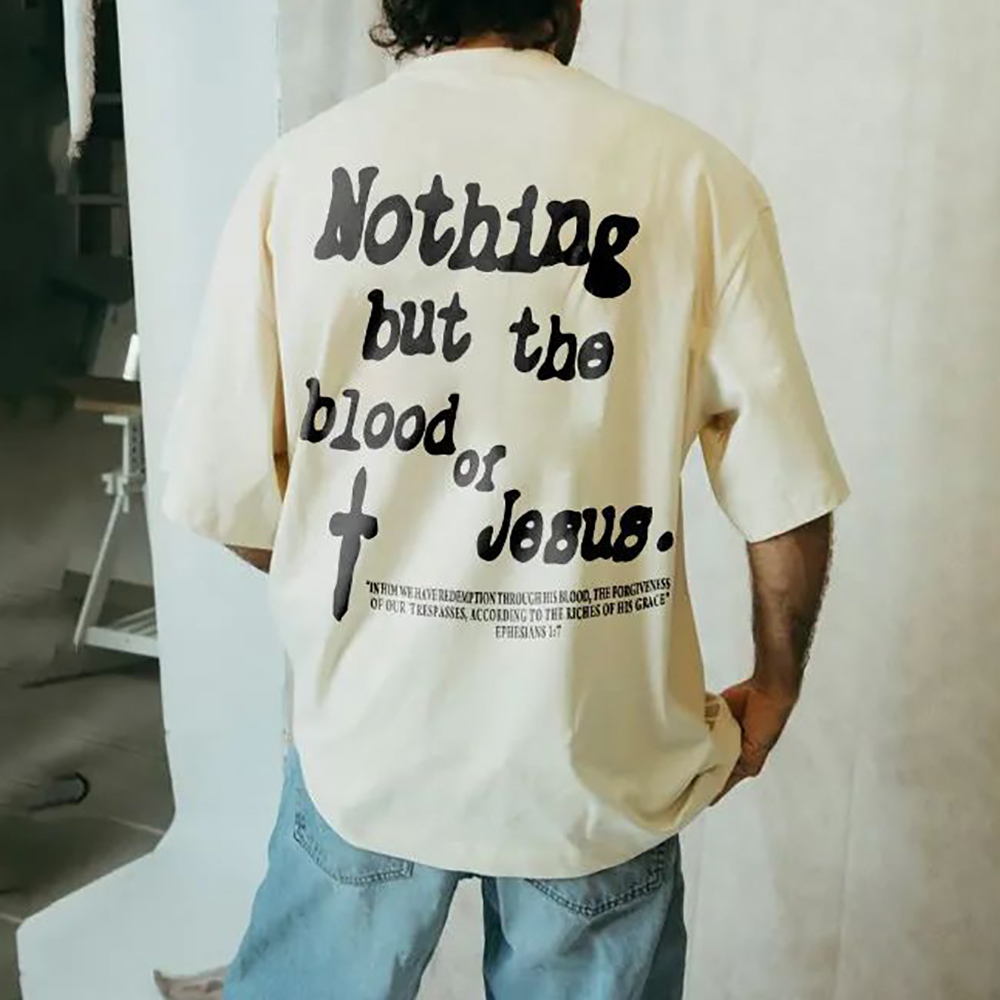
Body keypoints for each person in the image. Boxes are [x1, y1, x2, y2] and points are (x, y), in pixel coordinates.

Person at [160, 1, 851, 997]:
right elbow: (784, 494)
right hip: (598, 761)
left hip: (372, 739)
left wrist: (371, 584)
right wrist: (777, 686)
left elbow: (225, 489)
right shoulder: (694, 179)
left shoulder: (300, 175)